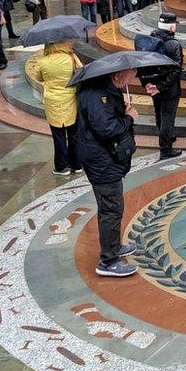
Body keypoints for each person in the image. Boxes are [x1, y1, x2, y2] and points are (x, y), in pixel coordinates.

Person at [75, 68, 140, 277]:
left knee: (113, 206)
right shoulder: (97, 96)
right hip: (101, 160)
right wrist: (129, 118)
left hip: (104, 157)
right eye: (130, 76)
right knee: (111, 208)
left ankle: (114, 246)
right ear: (116, 76)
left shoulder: (104, 90)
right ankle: (108, 261)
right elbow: (107, 129)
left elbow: (107, 120)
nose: (132, 79)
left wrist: (122, 110)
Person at [136, 13, 184, 159]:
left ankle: (167, 138)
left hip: (153, 85)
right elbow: (176, 70)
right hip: (169, 89)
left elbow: (141, 65)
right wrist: (161, 87)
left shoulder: (150, 40)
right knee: (168, 118)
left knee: (159, 115)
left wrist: (147, 84)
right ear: (171, 26)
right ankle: (166, 150)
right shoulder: (173, 44)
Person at [35, 40, 83, 174]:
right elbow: (81, 71)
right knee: (74, 133)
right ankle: (77, 164)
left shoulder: (42, 61)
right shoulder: (71, 58)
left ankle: (62, 166)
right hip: (70, 99)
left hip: (52, 101)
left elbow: (38, 77)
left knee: (58, 135)